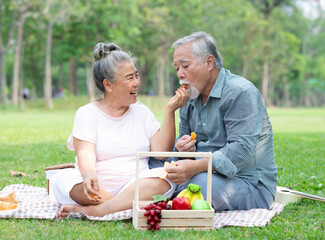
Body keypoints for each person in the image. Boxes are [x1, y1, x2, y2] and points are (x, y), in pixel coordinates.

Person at [50, 42, 190, 218]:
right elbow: (85, 154)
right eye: (129, 78)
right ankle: (121, 206)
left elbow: (161, 152)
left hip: (135, 185)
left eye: (136, 76)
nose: (137, 83)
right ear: (108, 85)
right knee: (61, 181)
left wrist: (170, 111)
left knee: (165, 178)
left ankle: (100, 210)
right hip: (97, 188)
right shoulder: (86, 113)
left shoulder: (141, 112)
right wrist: (89, 176)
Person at [150, 31, 278, 211]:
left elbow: (241, 149)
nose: (180, 74)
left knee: (198, 184)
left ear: (209, 62)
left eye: (185, 66)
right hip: (199, 174)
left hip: (247, 183)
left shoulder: (240, 92)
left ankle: (165, 193)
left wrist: (194, 167)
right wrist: (181, 150)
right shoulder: (190, 98)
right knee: (152, 162)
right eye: (177, 68)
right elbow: (182, 147)